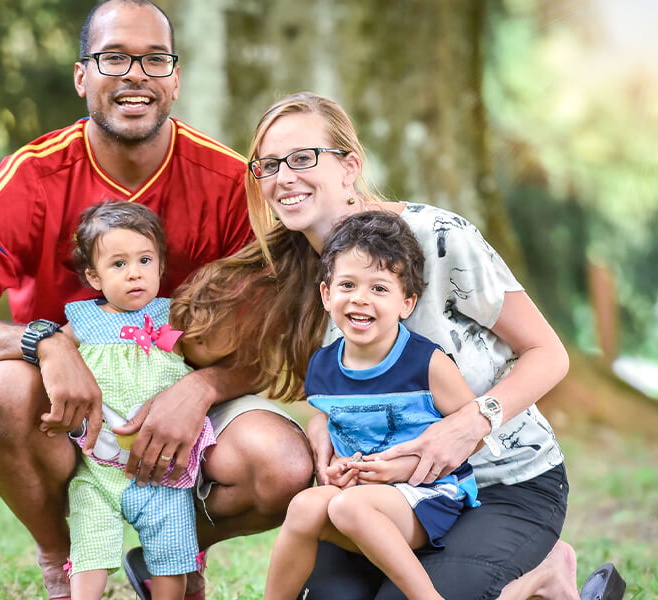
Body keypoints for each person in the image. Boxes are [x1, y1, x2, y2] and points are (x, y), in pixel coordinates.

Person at [0, 2, 313, 598]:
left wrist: (201, 389)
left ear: (175, 78)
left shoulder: (231, 182)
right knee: (0, 394)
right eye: (114, 57)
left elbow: (272, 336)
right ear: (82, 77)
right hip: (66, 406)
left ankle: (168, 552)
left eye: (154, 60)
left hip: (183, 408)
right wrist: (44, 342)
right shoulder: (33, 176)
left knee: (282, 467)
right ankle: (63, 557)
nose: (135, 75)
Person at [172, 91, 619, 599]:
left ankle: (541, 571)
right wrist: (322, 423)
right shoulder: (302, 279)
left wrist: (469, 424)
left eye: (301, 158)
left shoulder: (436, 238)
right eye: (268, 165)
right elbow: (344, 382)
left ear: (349, 167)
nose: (283, 177)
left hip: (498, 485)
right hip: (380, 500)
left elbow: (549, 353)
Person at [264, 210, 481, 600]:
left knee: (349, 507)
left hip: (428, 495)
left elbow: (472, 433)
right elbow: (332, 420)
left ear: (407, 303)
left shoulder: (427, 364)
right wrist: (335, 463)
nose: (360, 298)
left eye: (379, 288)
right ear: (327, 295)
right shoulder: (322, 367)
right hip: (361, 496)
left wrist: (403, 467)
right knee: (304, 506)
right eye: (347, 284)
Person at [64, 201, 217, 600]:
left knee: (171, 548)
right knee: (90, 540)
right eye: (118, 264)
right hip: (98, 466)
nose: (134, 272)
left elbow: (207, 357)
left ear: (161, 267)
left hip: (162, 464)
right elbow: (56, 359)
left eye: (144, 260)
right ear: (93, 277)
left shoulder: (174, 314)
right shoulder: (82, 321)